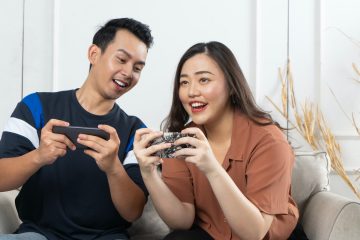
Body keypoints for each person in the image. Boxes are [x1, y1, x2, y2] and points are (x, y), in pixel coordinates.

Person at [0, 18, 153, 240]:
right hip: (39, 234)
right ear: (94, 54)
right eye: (121, 59)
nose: (128, 72)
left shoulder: (136, 131)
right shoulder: (36, 106)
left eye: (138, 68)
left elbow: (133, 212)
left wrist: (113, 168)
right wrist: (39, 156)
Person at [134, 41, 299, 240]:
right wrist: (149, 173)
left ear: (231, 86)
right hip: (213, 234)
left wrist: (211, 168)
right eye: (184, 82)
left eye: (204, 80)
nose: (192, 91)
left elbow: (254, 232)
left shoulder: (270, 141)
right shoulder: (182, 140)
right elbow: (181, 221)